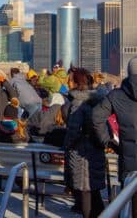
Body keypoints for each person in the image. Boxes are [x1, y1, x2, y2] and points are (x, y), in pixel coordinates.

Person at [93, 57, 137, 218]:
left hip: (129, 160)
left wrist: (108, 140)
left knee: (130, 202)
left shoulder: (116, 95)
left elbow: (97, 116)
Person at [64, 68, 105, 218]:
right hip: (96, 150)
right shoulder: (99, 101)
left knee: (85, 192)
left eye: (70, 80)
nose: (68, 83)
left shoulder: (77, 104)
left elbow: (73, 131)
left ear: (76, 82)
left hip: (81, 154)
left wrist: (67, 145)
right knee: (94, 192)